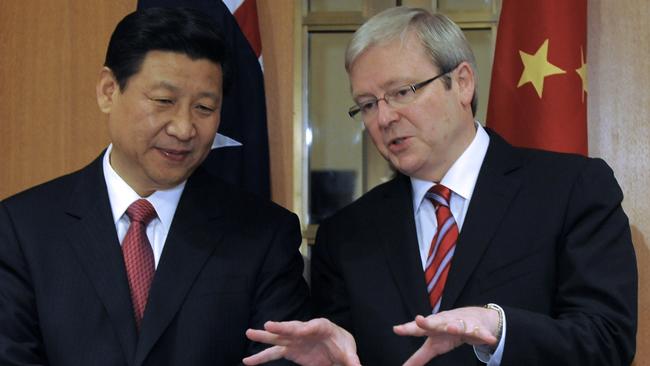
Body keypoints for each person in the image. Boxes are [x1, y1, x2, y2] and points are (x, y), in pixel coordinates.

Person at [244, 6, 637, 366]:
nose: (383, 118)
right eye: (367, 104)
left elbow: (608, 341)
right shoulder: (346, 235)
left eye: (401, 92)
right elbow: (346, 349)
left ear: (462, 82)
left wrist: (498, 329)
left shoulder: (571, 189)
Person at [0, 7, 309, 366]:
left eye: (205, 107)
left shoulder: (264, 236)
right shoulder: (22, 229)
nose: (184, 128)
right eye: (164, 101)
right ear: (108, 91)